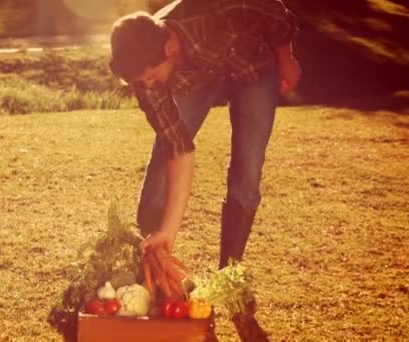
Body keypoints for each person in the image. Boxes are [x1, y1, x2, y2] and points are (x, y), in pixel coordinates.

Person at [108, 0, 301, 340]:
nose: (149, 87)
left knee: (248, 171)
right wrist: (167, 230)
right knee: (158, 172)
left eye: (152, 77)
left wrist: (286, 59)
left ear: (169, 46)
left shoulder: (217, 10)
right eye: (143, 82)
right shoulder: (144, 72)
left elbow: (274, 15)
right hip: (193, 79)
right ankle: (157, 282)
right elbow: (179, 148)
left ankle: (231, 285)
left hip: (252, 66)